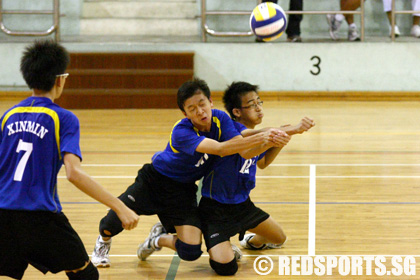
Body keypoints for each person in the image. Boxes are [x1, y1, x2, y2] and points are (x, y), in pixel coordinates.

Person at [91, 78, 285, 267]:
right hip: (154, 181)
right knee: (113, 221)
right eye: (192, 109)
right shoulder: (181, 131)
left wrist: (274, 134)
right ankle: (102, 243)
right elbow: (220, 149)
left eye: (202, 104)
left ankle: (157, 239)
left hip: (182, 191)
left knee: (190, 251)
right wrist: (265, 136)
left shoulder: (221, 118)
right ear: (185, 113)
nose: (200, 111)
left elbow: (241, 143)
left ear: (210, 101)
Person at [0, 40, 139, 280]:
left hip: (3, 213)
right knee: (85, 275)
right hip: (40, 215)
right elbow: (73, 173)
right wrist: (120, 206)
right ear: (59, 79)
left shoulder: (7, 116)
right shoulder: (63, 118)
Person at [198, 81, 315, 276]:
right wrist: (291, 129)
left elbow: (262, 162)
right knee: (226, 269)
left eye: (259, 102)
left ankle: (249, 242)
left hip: (242, 205)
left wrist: (280, 141)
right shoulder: (231, 129)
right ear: (236, 111)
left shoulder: (260, 135)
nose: (259, 108)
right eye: (252, 104)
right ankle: (223, 247)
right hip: (215, 208)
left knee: (279, 238)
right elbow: (247, 148)